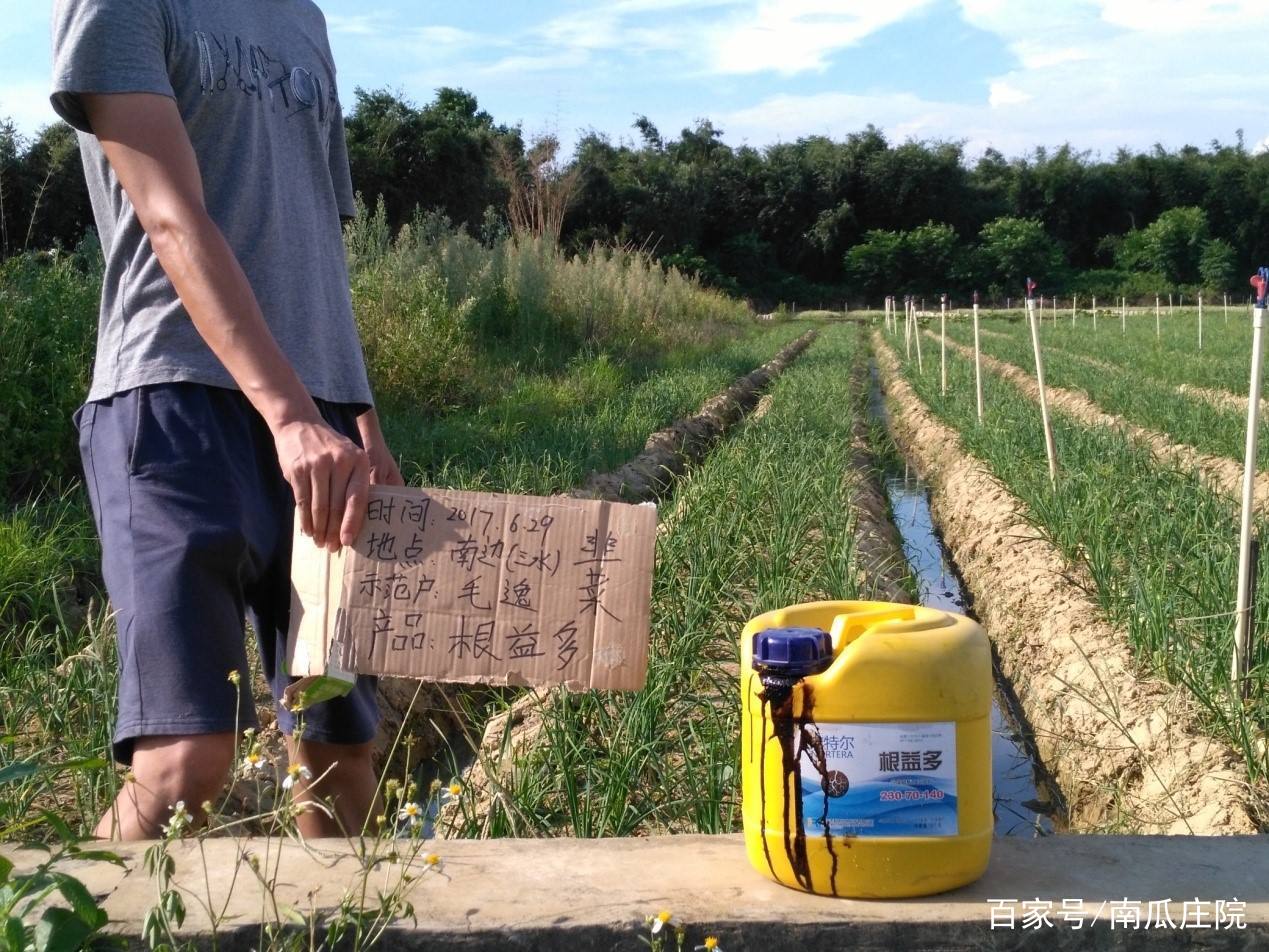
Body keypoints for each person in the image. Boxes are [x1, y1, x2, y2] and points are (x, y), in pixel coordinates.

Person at [49, 0, 400, 839]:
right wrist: (286, 414)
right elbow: (172, 216)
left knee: (338, 751)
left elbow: (313, 243)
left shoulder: (302, 20)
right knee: (183, 763)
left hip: (318, 425)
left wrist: (362, 424)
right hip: (174, 404)